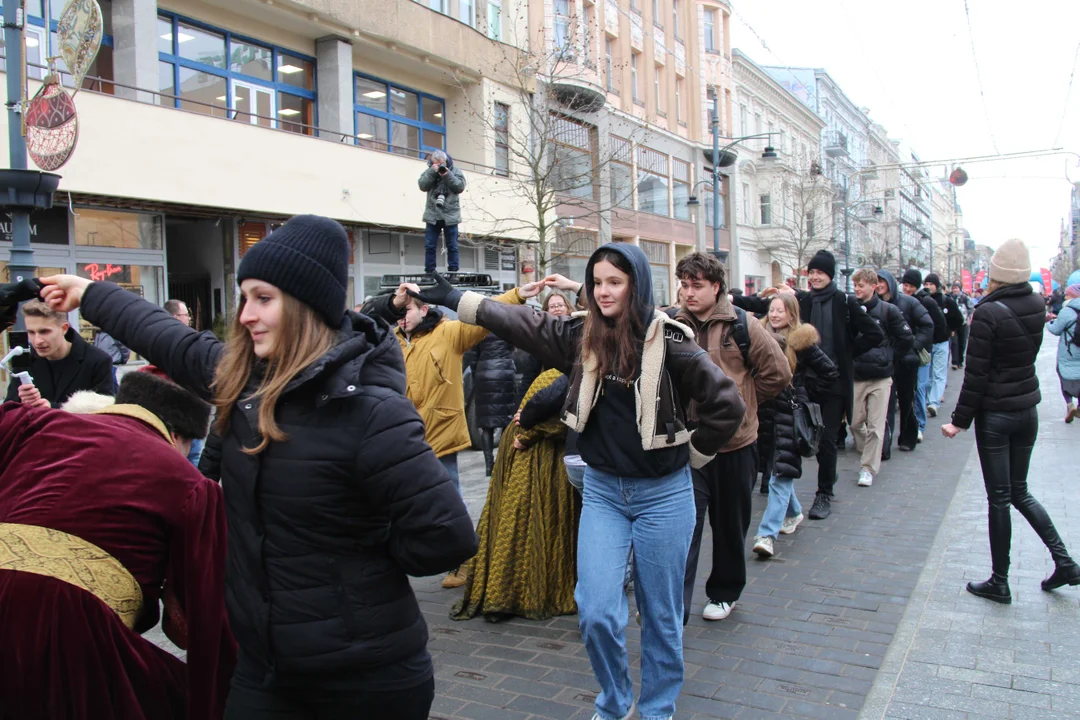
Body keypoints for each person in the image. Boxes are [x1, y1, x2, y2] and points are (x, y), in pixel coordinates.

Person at [38, 214, 479, 720]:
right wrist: (89, 293)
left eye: (263, 298)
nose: (245, 315)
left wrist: (353, 557)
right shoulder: (245, 383)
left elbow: (446, 537)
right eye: (244, 297)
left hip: (363, 679)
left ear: (305, 305)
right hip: (262, 668)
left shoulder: (371, 412)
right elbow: (169, 339)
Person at [406, 244, 746, 720]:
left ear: (637, 285)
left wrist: (694, 453)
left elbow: (728, 405)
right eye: (597, 282)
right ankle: (614, 700)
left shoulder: (672, 342)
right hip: (604, 493)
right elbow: (524, 324)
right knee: (597, 611)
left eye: (615, 282)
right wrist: (457, 299)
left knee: (661, 616)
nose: (603, 291)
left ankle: (656, 709)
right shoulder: (580, 336)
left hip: (663, 497)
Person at [0, 370, 235, 720]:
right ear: (176, 435)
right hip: (70, 625)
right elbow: (197, 615)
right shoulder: (188, 481)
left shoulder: (35, 424)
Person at [370, 278, 537, 588]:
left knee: (449, 497)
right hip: (401, 436)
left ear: (424, 308)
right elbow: (364, 322)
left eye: (407, 310)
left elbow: (486, 315)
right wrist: (392, 302)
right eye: (399, 312)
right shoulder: (389, 339)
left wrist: (516, 295)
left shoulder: (448, 333)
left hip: (440, 434)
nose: (402, 317)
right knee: (398, 500)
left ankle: (462, 561)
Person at [942, 239, 1080, 602]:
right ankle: (1064, 562)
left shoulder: (988, 313)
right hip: (1026, 411)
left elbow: (977, 374)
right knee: (1019, 491)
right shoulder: (1036, 303)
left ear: (997, 275)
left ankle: (1000, 580)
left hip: (997, 416)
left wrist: (958, 421)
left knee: (1000, 498)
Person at [675, 252, 791, 623]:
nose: (688, 292)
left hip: (736, 444)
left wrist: (743, 403)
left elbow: (778, 373)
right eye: (684, 284)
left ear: (716, 287)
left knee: (729, 525)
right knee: (682, 528)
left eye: (696, 285)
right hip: (688, 444)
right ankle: (675, 604)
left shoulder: (743, 324)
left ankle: (725, 592)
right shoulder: (671, 322)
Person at [732, 250, 884, 520]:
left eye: (820, 273)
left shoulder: (844, 301)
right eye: (812, 272)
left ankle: (824, 492)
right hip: (805, 385)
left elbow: (874, 333)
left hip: (833, 383)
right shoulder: (803, 299)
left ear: (830, 275)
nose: (814, 277)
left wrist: (848, 352)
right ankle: (777, 482)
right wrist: (732, 300)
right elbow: (764, 304)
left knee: (827, 441)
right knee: (791, 436)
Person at [451, 368, 580, 622]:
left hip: (537, 447)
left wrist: (530, 430)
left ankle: (503, 591)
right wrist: (529, 431)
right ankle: (505, 592)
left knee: (523, 518)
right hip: (532, 449)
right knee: (522, 517)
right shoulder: (564, 370)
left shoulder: (561, 367)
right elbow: (557, 408)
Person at [752, 293, 838, 558]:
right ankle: (795, 512)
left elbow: (829, 372)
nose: (776, 314)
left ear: (792, 314)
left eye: (781, 310)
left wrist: (802, 392)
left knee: (781, 473)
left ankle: (767, 535)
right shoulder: (758, 335)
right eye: (773, 310)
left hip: (789, 414)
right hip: (764, 413)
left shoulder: (800, 341)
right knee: (777, 469)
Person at [850, 269, 913, 486]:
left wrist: (891, 357)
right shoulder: (850, 309)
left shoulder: (889, 311)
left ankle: (868, 468)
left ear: (873, 286)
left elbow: (906, 337)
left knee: (876, 426)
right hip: (856, 375)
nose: (857, 289)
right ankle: (868, 452)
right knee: (855, 422)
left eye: (861, 285)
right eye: (855, 285)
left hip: (881, 377)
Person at [4, 300, 115, 407]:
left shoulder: (97, 361)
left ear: (64, 328)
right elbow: (8, 411)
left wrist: (52, 408)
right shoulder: (24, 360)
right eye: (31, 332)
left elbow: (106, 413)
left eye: (44, 332)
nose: (37, 341)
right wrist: (21, 401)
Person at [876, 270, 934, 453]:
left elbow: (927, 324)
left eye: (881, 281)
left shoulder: (909, 302)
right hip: (885, 360)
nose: (878, 285)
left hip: (906, 361)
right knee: (886, 403)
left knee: (907, 400)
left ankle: (908, 438)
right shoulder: (874, 304)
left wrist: (914, 346)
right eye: (875, 281)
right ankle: (884, 445)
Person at [905, 269, 946, 440]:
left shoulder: (927, 302)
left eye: (911, 285)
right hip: (905, 350)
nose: (907, 289)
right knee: (908, 390)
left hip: (921, 351)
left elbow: (937, 325)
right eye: (905, 285)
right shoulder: (901, 301)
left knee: (920, 388)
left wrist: (924, 343)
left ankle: (920, 425)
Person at [471, 334, 518, 477]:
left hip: (483, 372)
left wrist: (476, 375)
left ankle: (489, 465)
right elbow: (513, 346)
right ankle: (503, 461)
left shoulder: (479, 328)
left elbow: (473, 356)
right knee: (506, 420)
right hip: (504, 372)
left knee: (486, 424)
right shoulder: (504, 323)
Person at [921, 273, 964, 416]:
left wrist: (949, 329)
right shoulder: (920, 300)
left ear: (937, 285)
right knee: (926, 374)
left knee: (938, 374)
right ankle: (927, 399)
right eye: (926, 284)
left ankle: (933, 403)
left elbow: (958, 319)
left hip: (941, 342)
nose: (928, 287)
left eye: (931, 284)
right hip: (925, 344)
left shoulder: (946, 301)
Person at [418, 150, 466, 274]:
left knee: (453, 246)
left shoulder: (455, 171)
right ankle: (429, 272)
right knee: (429, 246)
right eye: (436, 164)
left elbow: (460, 187)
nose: (439, 166)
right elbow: (422, 185)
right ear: (432, 162)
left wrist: (447, 174)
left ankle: (453, 272)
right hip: (433, 214)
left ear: (446, 161)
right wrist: (432, 172)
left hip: (450, 215)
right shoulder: (429, 171)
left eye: (441, 164)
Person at [1047, 282, 1080, 423]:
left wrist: (1049, 322)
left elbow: (1056, 330)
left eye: (1067, 294)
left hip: (1068, 351)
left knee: (1063, 375)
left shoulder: (1067, 310)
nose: (1065, 296)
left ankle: (1069, 403)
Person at [950, 281, 975, 370]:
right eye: (953, 288)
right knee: (954, 343)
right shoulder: (950, 298)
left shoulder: (965, 297)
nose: (955, 290)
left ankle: (960, 361)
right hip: (953, 325)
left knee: (962, 343)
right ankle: (955, 362)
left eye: (956, 288)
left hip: (963, 324)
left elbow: (971, 308)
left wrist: (968, 317)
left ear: (960, 289)